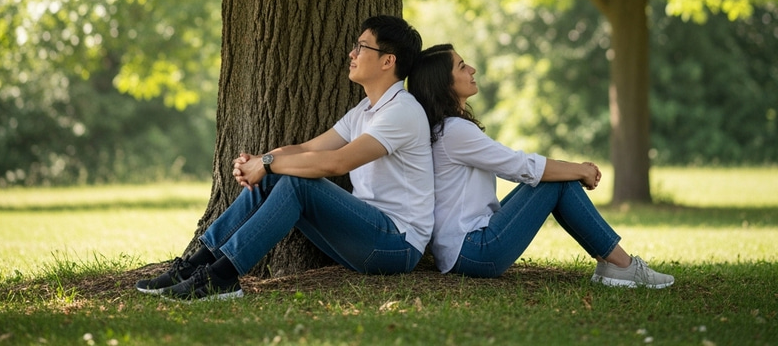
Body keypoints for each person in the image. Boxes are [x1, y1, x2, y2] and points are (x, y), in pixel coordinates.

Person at [136, 15, 433, 301]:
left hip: (397, 244)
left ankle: (221, 278)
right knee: (281, 174)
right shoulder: (365, 110)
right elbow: (306, 149)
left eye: (362, 47)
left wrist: (265, 165)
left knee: (297, 184)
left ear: (388, 60)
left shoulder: (401, 111)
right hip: (366, 233)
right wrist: (261, 161)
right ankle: (196, 264)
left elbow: (336, 163)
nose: (352, 53)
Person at [407, 43, 674, 289]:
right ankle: (623, 265)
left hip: (465, 250)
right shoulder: (454, 131)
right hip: (474, 252)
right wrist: (580, 170)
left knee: (557, 180)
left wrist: (574, 169)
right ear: (444, 82)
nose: (472, 69)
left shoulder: (445, 129)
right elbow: (517, 166)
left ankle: (614, 264)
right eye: (462, 66)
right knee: (556, 183)